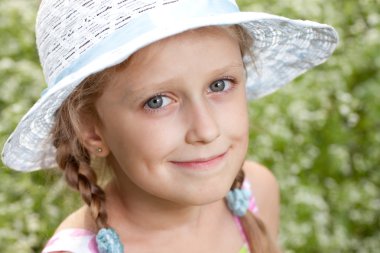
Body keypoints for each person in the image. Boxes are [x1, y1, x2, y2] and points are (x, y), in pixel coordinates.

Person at [1, 0, 338, 252]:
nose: (206, 130)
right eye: (157, 101)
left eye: (220, 85)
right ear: (91, 130)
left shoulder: (256, 194)